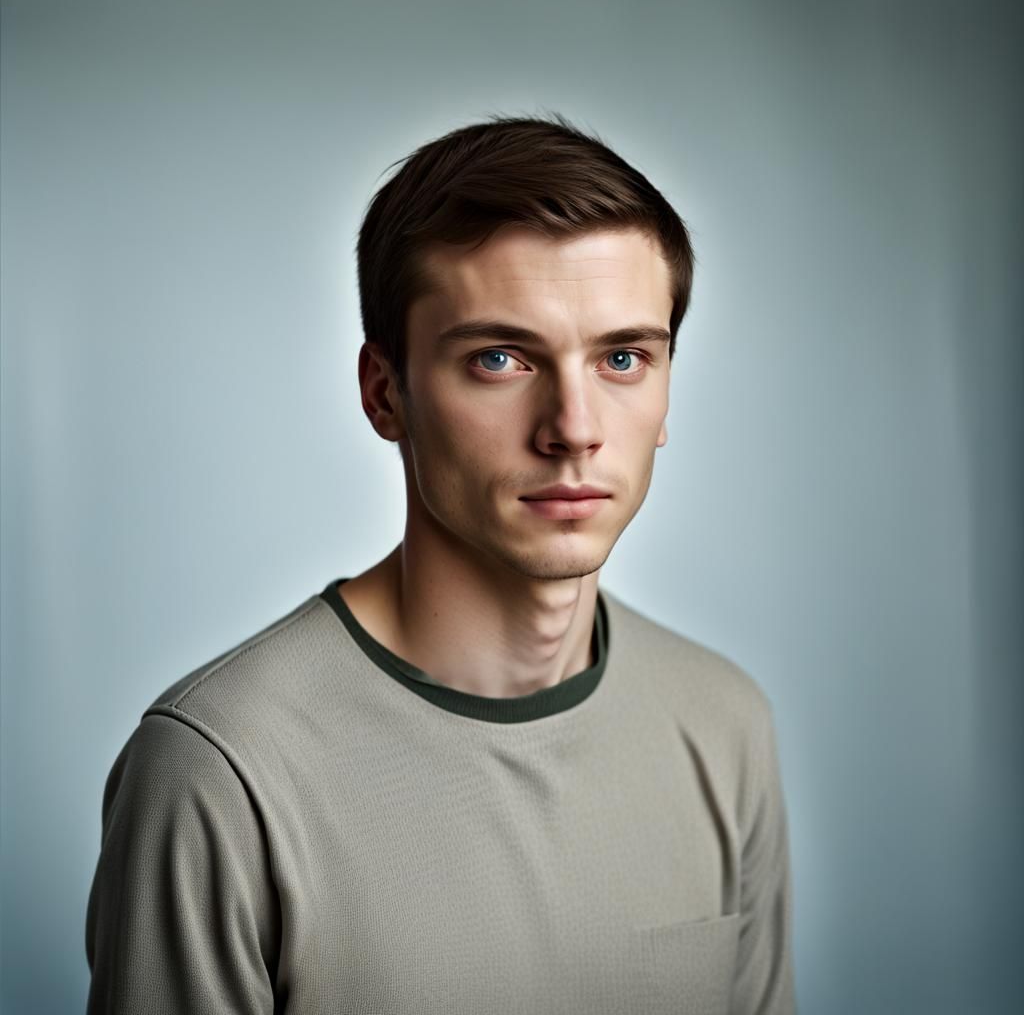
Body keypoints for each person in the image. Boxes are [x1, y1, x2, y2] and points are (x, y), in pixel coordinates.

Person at [85, 113, 797, 1014]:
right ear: (387, 393)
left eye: (623, 357)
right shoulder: (219, 769)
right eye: (499, 359)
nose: (573, 428)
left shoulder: (724, 722)